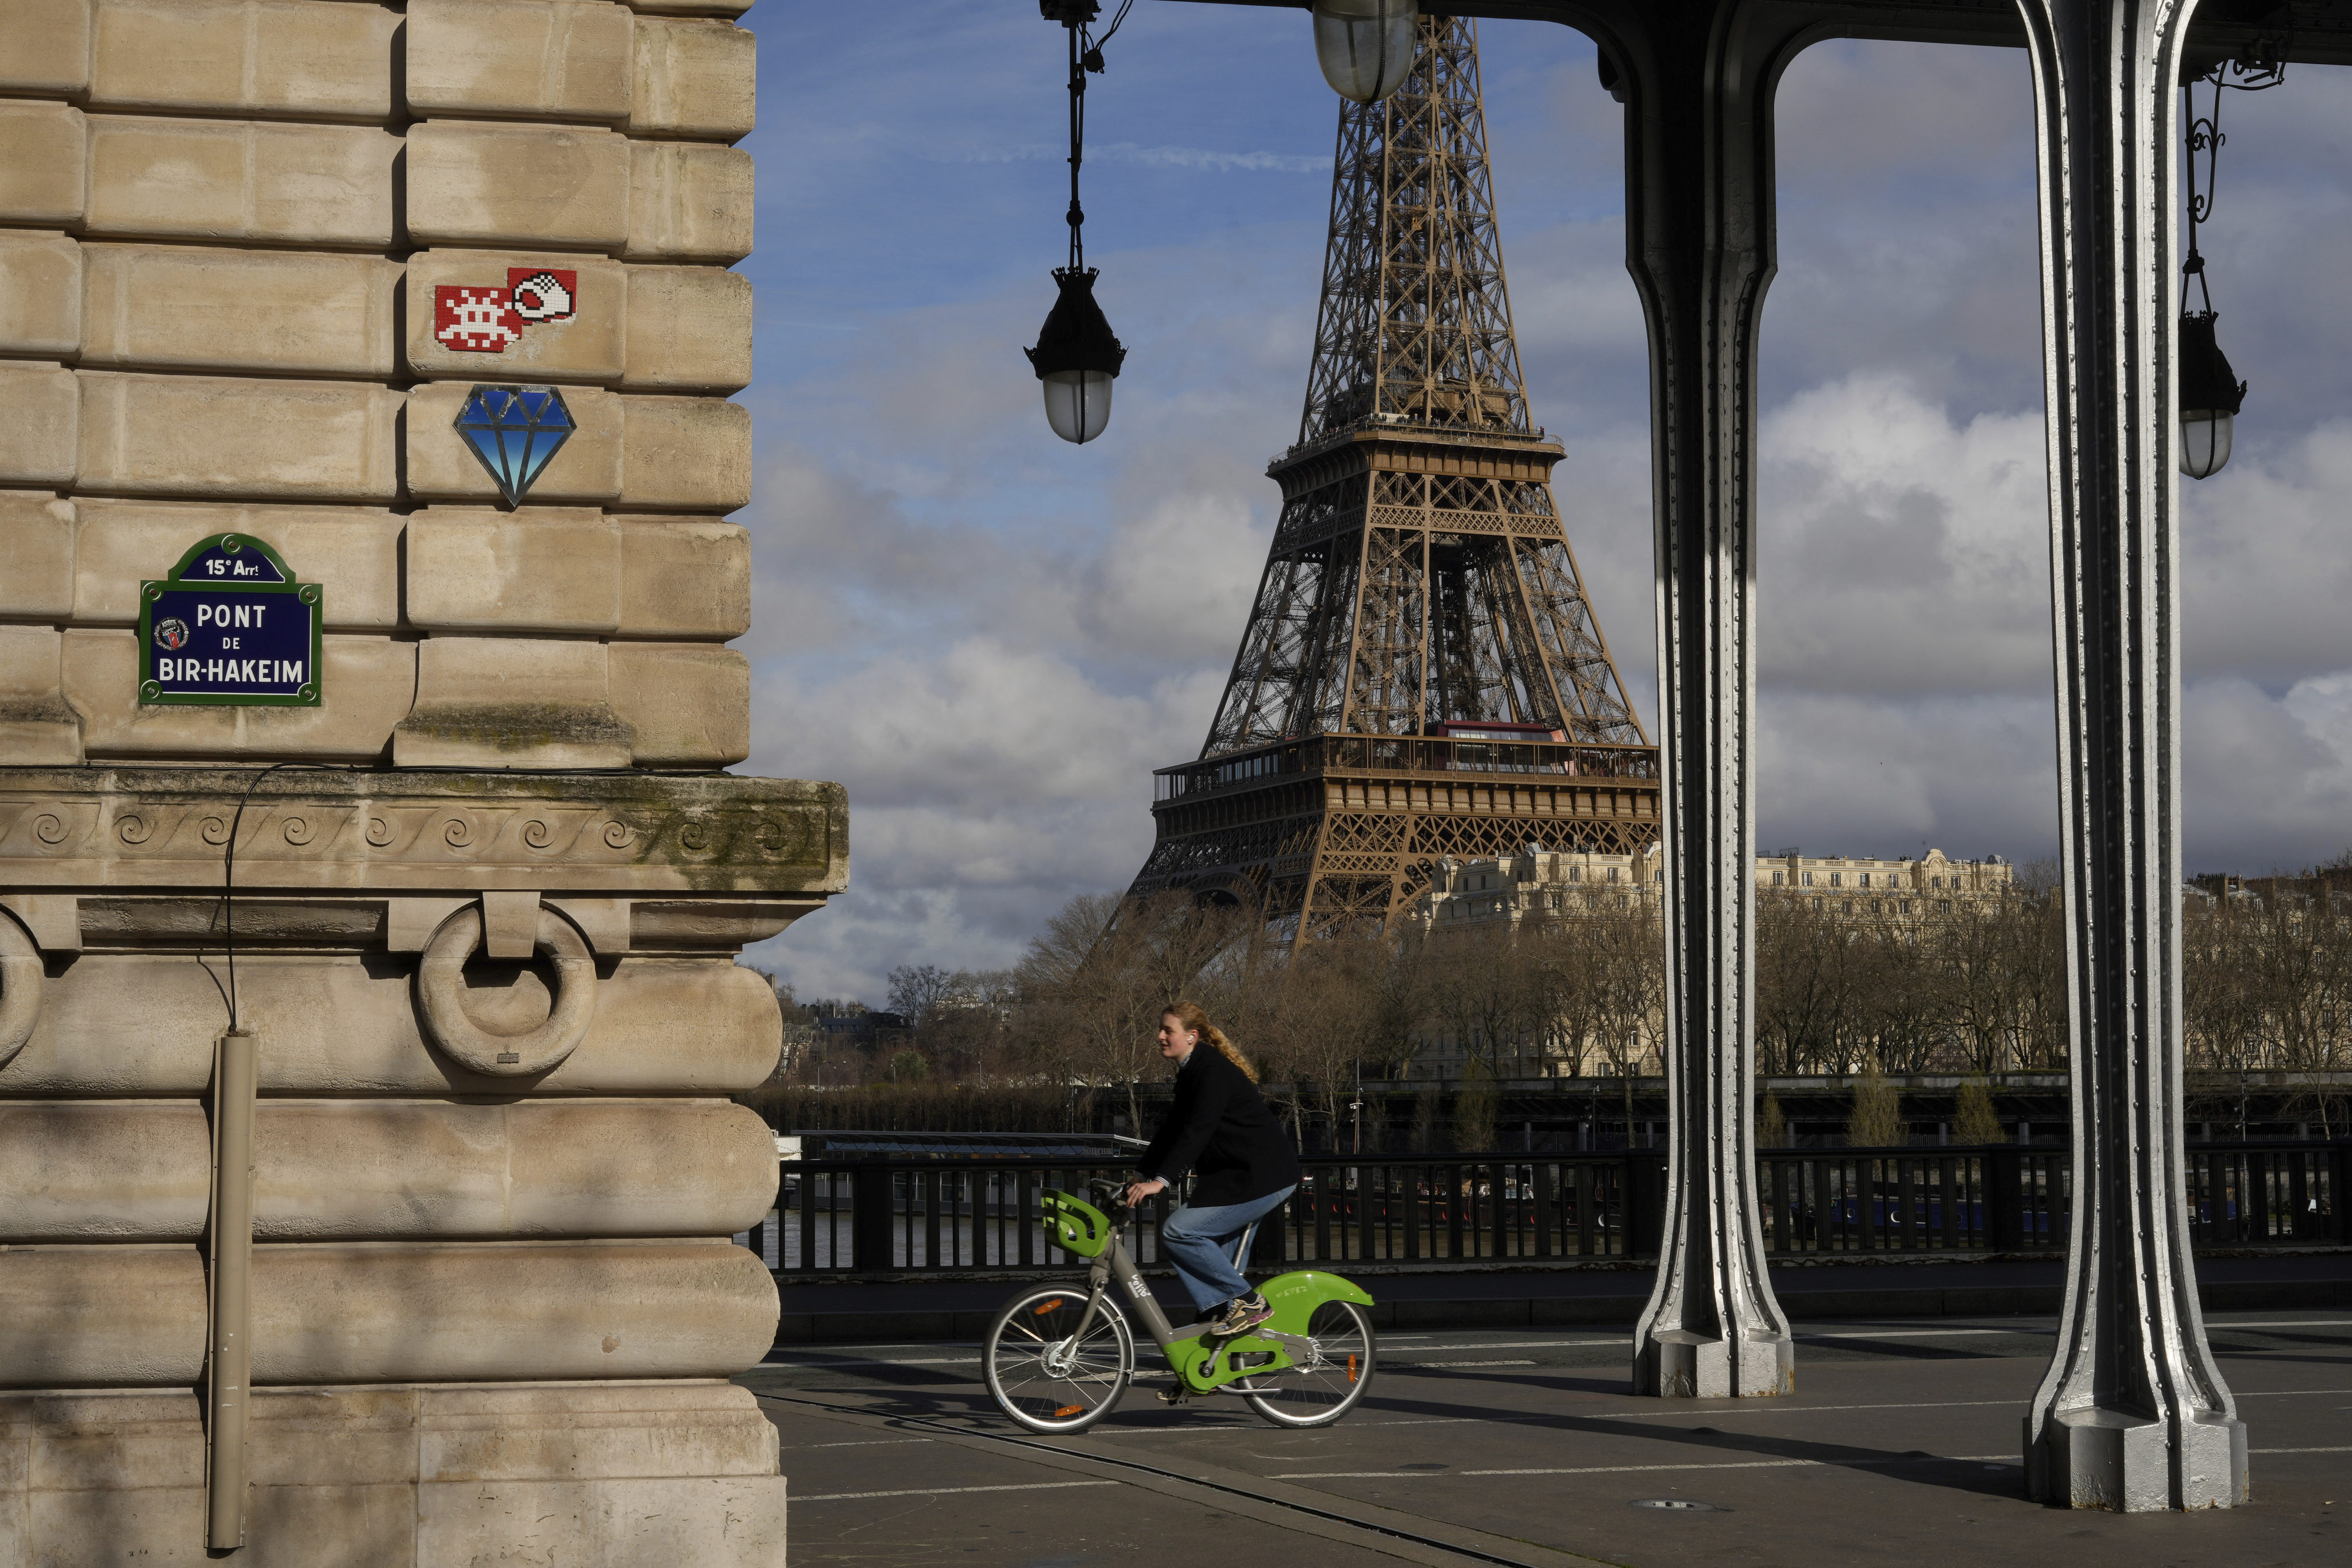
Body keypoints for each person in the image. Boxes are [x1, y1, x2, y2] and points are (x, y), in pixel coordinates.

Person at [1123, 1001, 1300, 1336]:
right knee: (1222, 1294)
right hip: (1237, 1177)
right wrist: (1141, 1174)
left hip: (1260, 1178)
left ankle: (1250, 1303)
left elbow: (1197, 1130)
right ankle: (1207, 1369)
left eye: (1168, 1030)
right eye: (1160, 1029)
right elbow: (1172, 1129)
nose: (1159, 1036)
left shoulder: (1212, 1071)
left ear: (1191, 1036)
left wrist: (1161, 1181)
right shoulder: (1194, 1071)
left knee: (1180, 1231)